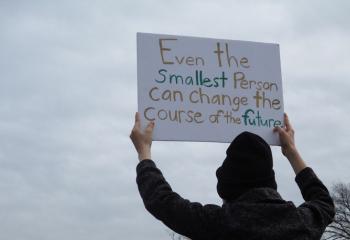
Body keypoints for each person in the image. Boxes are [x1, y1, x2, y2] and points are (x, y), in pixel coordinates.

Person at [130, 112, 335, 240]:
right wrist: (292, 152)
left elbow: (162, 201)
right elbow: (323, 202)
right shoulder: (301, 223)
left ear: (227, 188)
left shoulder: (219, 224)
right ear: (270, 182)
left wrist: (144, 152)